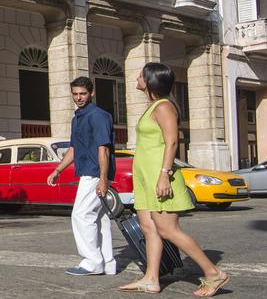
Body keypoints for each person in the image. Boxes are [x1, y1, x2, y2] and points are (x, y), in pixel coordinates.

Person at [117, 62, 229, 296]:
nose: (137, 78)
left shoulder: (164, 106)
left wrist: (164, 175)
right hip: (146, 177)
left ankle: (213, 273)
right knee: (148, 228)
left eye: (141, 75)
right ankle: (151, 279)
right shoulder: (153, 106)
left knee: (168, 230)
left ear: (150, 80)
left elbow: (172, 142)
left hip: (160, 176)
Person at [47, 76, 116, 276]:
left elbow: (104, 149)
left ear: (92, 93)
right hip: (89, 172)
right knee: (99, 218)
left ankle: (92, 262)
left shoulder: (98, 116)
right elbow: (74, 149)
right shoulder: (77, 117)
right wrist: (58, 170)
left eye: (83, 94)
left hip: (94, 173)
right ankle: (108, 263)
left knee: (81, 215)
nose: (78, 97)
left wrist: (103, 179)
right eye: (75, 94)